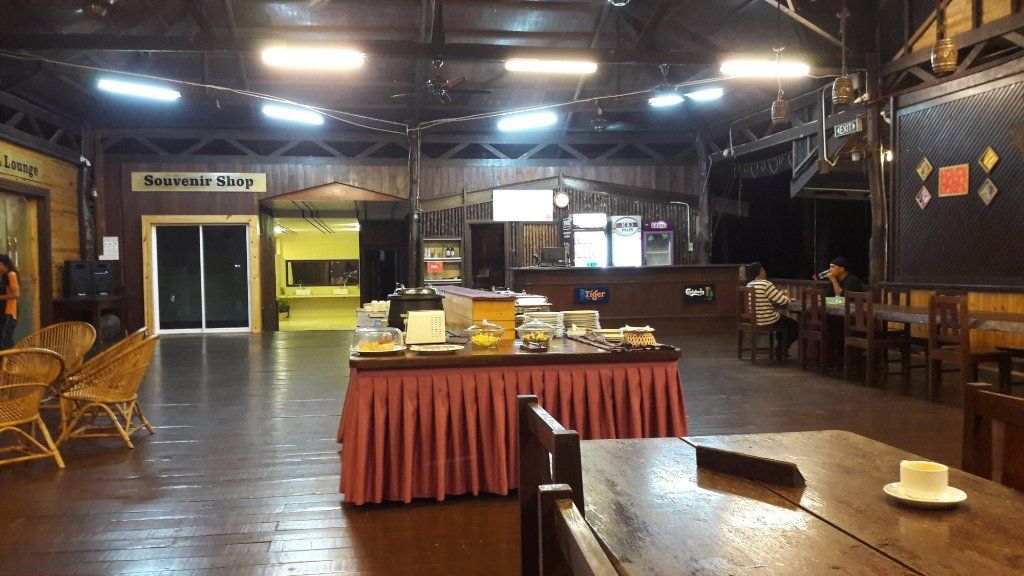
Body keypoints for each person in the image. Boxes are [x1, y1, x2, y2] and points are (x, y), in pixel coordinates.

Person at [745, 262, 797, 359]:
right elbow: (782, 300)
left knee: (783, 322)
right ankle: (781, 349)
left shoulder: (749, 285)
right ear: (760, 271)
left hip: (755, 318)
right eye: (764, 270)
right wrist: (787, 298)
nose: (765, 272)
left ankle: (781, 349)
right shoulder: (766, 284)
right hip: (767, 318)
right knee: (794, 326)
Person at [0, 254, 19, 349]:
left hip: (10, 311)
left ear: (2, 264)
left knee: (5, 339)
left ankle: (12, 357)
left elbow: (16, 294)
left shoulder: (11, 274)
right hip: (5, 311)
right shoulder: (5, 276)